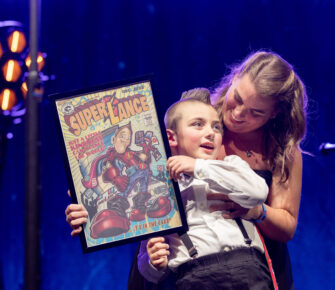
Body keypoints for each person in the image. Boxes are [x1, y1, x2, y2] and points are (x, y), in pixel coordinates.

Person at [137, 97, 275, 289]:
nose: (210, 132)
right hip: (194, 277)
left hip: (248, 271)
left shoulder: (231, 165)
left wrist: (199, 167)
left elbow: (258, 192)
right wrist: (153, 263)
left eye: (216, 127)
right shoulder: (157, 189)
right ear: (172, 137)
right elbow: (147, 267)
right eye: (198, 124)